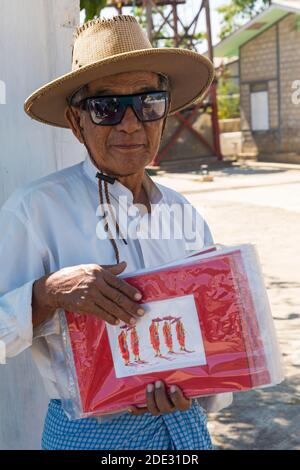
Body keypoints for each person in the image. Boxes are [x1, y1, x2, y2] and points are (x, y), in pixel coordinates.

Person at [0, 15, 232, 450]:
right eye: (106, 107)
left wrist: (201, 381)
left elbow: (212, 341)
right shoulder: (36, 210)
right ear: (76, 120)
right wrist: (46, 293)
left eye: (148, 103)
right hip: (90, 437)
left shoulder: (183, 213)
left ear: (163, 112)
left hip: (184, 430)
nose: (130, 123)